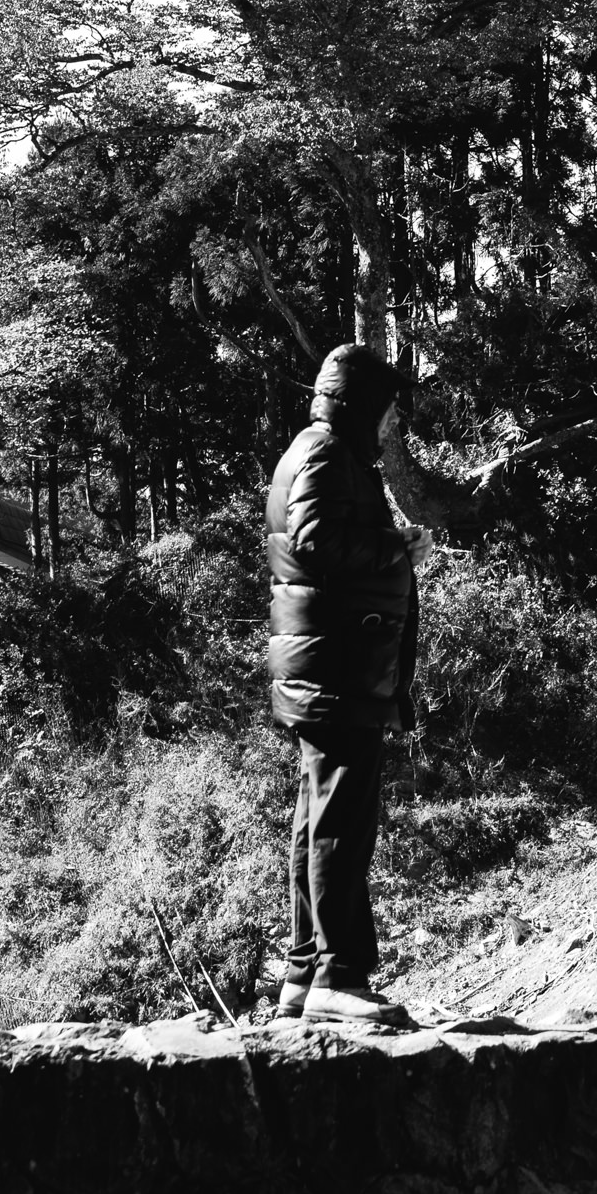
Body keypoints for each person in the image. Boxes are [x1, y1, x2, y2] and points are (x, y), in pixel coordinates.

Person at [265, 340, 422, 1031]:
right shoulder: (326, 453)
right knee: (340, 828)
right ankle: (337, 976)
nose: (389, 425)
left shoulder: (319, 449)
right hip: (336, 670)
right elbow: (316, 537)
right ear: (359, 403)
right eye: (385, 410)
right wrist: (397, 546)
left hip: (329, 666)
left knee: (316, 822)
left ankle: (304, 974)